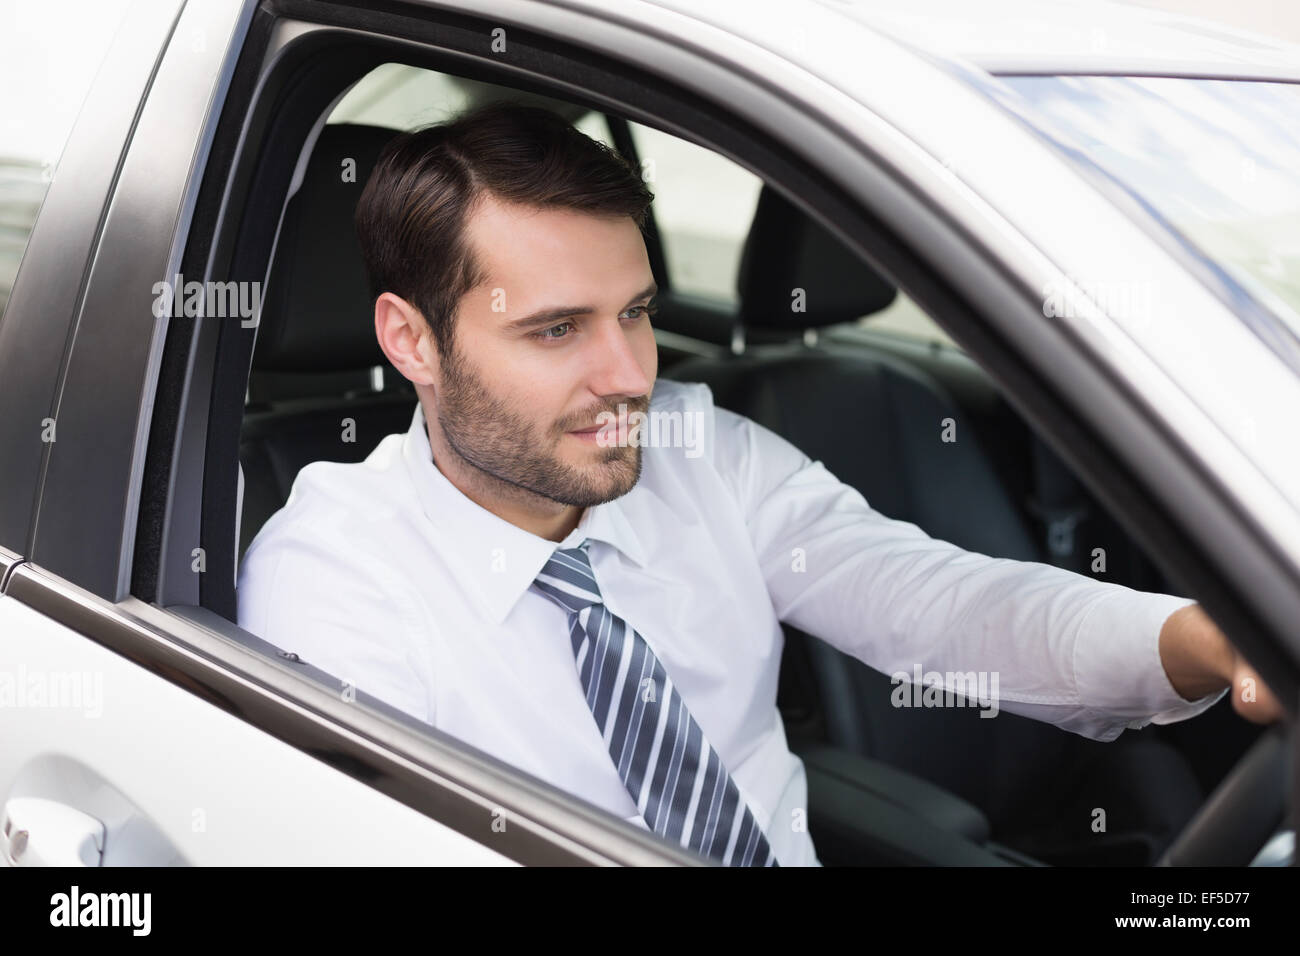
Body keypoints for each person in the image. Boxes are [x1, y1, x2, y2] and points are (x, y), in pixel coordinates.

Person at [236, 101, 1281, 868]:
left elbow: (944, 605)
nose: (631, 374)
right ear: (410, 339)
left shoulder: (699, 452)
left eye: (637, 311)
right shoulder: (336, 578)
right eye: (556, 328)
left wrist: (1203, 637)